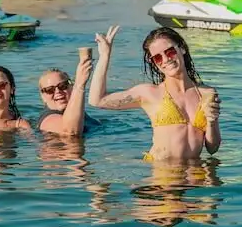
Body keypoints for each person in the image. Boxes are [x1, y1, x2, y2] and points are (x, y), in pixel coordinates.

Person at [88, 26, 221, 161]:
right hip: (162, 175)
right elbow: (97, 100)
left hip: (194, 175)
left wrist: (212, 121)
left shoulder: (206, 93)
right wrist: (105, 55)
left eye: (170, 52)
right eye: (157, 58)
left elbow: (212, 148)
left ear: (182, 48)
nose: (166, 59)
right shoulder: (149, 93)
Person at [37, 50, 99, 136]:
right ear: (43, 96)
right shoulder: (47, 120)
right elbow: (71, 132)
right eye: (49, 90)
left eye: (63, 86)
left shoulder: (77, 111)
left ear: (71, 87)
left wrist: (105, 55)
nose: (58, 91)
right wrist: (80, 84)